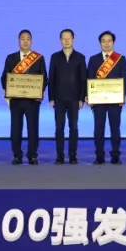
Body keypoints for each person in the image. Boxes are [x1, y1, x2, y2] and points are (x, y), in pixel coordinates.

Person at [1, 29, 47, 165]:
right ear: (18, 41)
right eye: (23, 39)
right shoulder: (11, 58)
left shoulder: (39, 58)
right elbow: (4, 77)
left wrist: (40, 91)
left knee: (33, 128)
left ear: (31, 41)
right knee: (16, 128)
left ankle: (32, 155)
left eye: (28, 39)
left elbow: (44, 78)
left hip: (33, 100)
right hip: (16, 100)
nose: (25, 42)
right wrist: (8, 90)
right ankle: (17, 155)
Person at [48, 28, 87, 165]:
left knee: (73, 128)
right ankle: (60, 156)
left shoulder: (80, 57)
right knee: (59, 128)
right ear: (60, 40)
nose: (66, 41)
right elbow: (51, 78)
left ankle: (72, 156)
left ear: (73, 40)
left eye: (68, 38)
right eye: (64, 38)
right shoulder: (55, 57)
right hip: (58, 98)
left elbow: (83, 79)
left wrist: (82, 98)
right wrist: (51, 97)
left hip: (74, 99)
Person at [87, 30, 126, 165]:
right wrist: (89, 96)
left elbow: (123, 78)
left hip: (115, 100)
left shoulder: (120, 59)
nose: (106, 43)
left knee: (115, 129)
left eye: (109, 41)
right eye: (103, 41)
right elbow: (90, 78)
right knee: (99, 129)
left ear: (113, 42)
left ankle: (115, 156)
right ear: (100, 43)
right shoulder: (93, 59)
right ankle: (99, 156)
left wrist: (123, 96)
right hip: (98, 101)